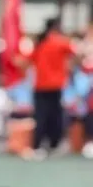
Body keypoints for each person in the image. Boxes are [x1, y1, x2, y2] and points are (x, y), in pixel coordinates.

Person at [22, 18, 73, 160]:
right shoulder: (61, 42)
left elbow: (25, 60)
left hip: (41, 85)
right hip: (56, 85)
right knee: (55, 116)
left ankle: (38, 146)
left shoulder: (40, 42)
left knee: (41, 116)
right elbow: (76, 55)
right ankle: (53, 144)